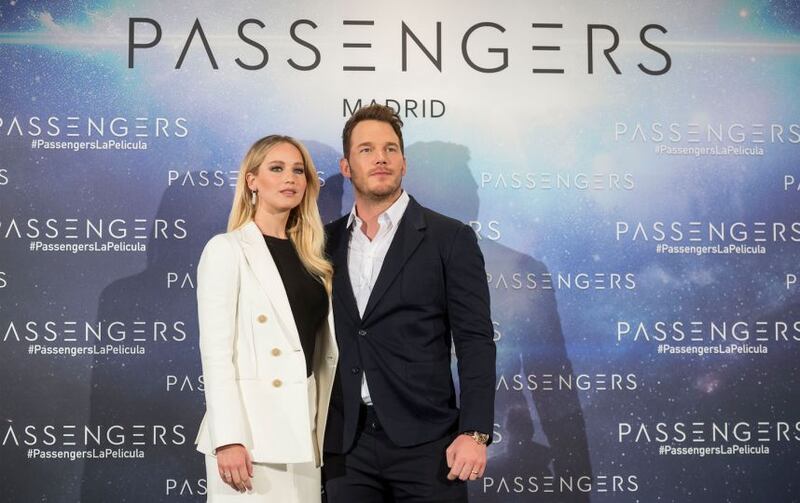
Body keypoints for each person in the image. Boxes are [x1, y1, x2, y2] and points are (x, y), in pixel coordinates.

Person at [322, 104, 496, 502]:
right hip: (346, 445)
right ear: (346, 167)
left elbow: (475, 341)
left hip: (428, 443)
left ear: (403, 163)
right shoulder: (322, 242)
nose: (380, 158)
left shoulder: (449, 238)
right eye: (366, 149)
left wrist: (474, 432)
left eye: (390, 149)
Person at [194, 135, 339, 502]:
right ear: (252, 180)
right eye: (277, 168)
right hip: (250, 440)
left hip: (304, 430)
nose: (290, 178)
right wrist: (228, 438)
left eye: (298, 171)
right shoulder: (226, 250)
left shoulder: (314, 258)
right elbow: (216, 354)